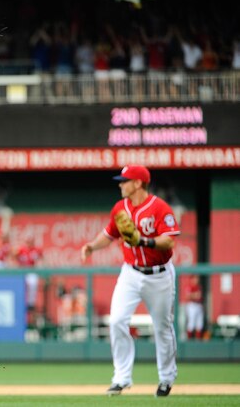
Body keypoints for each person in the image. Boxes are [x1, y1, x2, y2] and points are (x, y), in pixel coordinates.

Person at [80, 165, 180, 397]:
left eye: (124, 181)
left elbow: (169, 241)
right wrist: (92, 247)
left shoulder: (159, 207)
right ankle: (121, 378)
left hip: (160, 275)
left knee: (162, 328)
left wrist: (144, 241)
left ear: (137, 183)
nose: (120, 184)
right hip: (131, 273)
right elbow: (109, 234)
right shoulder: (120, 207)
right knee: (116, 321)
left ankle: (166, 379)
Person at [184, 274, 204, 339]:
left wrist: (196, 296)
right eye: (195, 278)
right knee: (191, 324)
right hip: (192, 305)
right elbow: (187, 296)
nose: (196, 280)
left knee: (199, 324)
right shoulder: (189, 286)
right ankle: (189, 340)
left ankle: (198, 340)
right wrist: (194, 295)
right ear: (192, 279)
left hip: (199, 305)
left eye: (197, 278)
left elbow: (200, 296)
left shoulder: (199, 286)